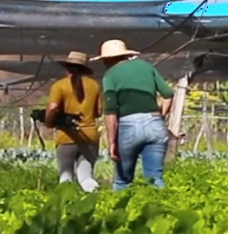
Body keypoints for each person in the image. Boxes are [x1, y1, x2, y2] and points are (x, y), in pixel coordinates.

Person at [97, 38, 174, 190]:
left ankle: (121, 205)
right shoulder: (146, 66)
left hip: (128, 126)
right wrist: (161, 116)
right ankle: (161, 204)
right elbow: (168, 94)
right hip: (155, 123)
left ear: (108, 59)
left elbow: (110, 110)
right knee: (154, 178)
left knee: (123, 181)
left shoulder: (110, 75)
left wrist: (111, 142)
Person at [44, 50, 103, 191]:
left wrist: (48, 122)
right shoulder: (94, 85)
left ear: (66, 68)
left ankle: (65, 201)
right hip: (89, 137)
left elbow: (52, 107)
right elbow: (99, 112)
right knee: (86, 177)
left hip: (67, 136)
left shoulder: (59, 86)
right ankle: (96, 197)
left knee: (66, 175)